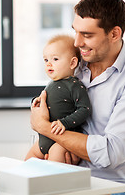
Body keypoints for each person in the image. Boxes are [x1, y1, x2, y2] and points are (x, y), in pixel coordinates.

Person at [29, 0, 125, 194]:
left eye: (87, 35)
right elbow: (51, 104)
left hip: (110, 187)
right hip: (63, 176)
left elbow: (110, 153)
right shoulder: (75, 62)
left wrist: (45, 128)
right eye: (75, 31)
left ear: (114, 34)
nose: (77, 43)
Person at [25, 35, 91, 163]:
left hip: (61, 141)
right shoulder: (52, 83)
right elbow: (47, 100)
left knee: (53, 171)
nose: (49, 63)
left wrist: (64, 123)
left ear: (72, 63)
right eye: (45, 60)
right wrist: (36, 101)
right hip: (43, 140)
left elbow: (84, 109)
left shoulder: (75, 85)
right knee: (27, 162)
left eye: (55, 59)